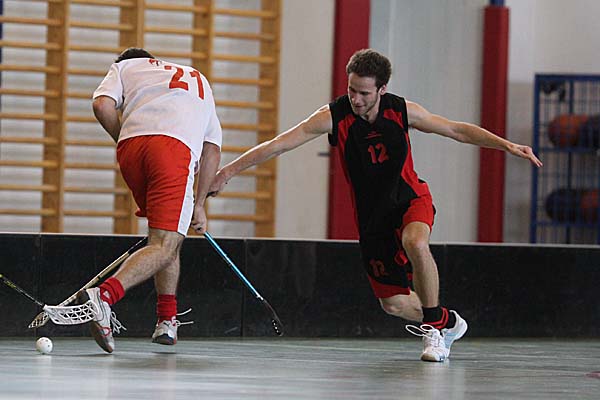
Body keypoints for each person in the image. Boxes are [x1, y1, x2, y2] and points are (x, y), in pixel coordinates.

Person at [208, 49, 542, 362]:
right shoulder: (334, 116)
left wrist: (507, 145)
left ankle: (433, 333)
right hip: (373, 219)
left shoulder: (403, 111)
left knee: (415, 241)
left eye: (364, 93)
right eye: (351, 90)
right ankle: (447, 321)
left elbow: (456, 130)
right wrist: (227, 172)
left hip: (410, 199)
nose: (356, 99)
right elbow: (278, 144)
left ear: (382, 89)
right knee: (393, 304)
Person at [78, 47, 222, 353]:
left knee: (165, 238)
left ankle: (166, 320)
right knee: (165, 243)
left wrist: (123, 138)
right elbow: (212, 148)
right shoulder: (197, 78)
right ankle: (104, 297)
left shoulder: (124, 67)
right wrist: (199, 204)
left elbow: (102, 105)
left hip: (131, 149)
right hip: (173, 150)